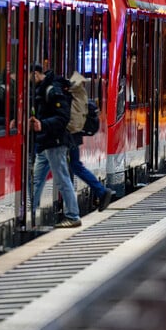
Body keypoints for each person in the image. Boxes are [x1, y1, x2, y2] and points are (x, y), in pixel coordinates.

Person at [29, 64, 81, 228]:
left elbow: (63, 118)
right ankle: (29, 213)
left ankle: (73, 216)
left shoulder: (53, 90)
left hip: (56, 143)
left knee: (61, 179)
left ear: (36, 74)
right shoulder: (42, 89)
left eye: (29, 77)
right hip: (46, 143)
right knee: (36, 180)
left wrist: (42, 125)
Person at [66, 71, 114, 212]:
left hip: (69, 137)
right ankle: (100, 191)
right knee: (74, 166)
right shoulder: (79, 94)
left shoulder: (71, 94)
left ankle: (72, 211)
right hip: (74, 137)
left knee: (64, 169)